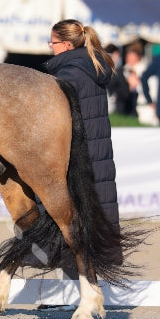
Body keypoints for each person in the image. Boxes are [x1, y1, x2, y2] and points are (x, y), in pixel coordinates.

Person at [41, 19, 120, 271]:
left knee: (67, 220)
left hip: (77, 156)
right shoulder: (92, 66)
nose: (49, 47)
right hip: (98, 154)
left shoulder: (67, 75)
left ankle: (72, 286)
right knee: (93, 219)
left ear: (65, 44)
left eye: (52, 42)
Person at [108, 42, 147, 118]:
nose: (129, 58)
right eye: (128, 56)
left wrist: (136, 83)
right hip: (122, 105)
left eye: (132, 56)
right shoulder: (121, 70)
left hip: (139, 105)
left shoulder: (143, 70)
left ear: (138, 57)